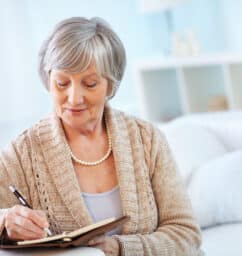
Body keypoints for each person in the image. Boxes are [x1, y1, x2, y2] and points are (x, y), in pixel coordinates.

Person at [0, 17, 201, 255]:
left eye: (90, 83)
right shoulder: (21, 153)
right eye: (62, 83)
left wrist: (120, 248)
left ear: (110, 85)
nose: (74, 98)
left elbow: (186, 234)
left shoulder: (147, 140)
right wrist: (5, 222)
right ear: (48, 81)